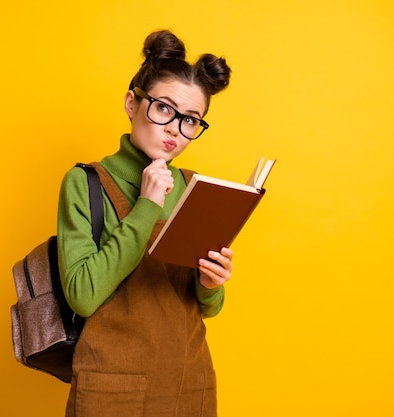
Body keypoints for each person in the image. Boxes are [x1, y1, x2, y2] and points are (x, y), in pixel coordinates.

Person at [57, 29, 233, 417]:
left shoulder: (192, 186)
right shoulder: (85, 182)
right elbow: (83, 295)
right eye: (164, 109)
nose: (175, 129)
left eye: (191, 120)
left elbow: (207, 308)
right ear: (132, 102)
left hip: (190, 383)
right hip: (112, 387)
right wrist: (147, 204)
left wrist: (211, 285)